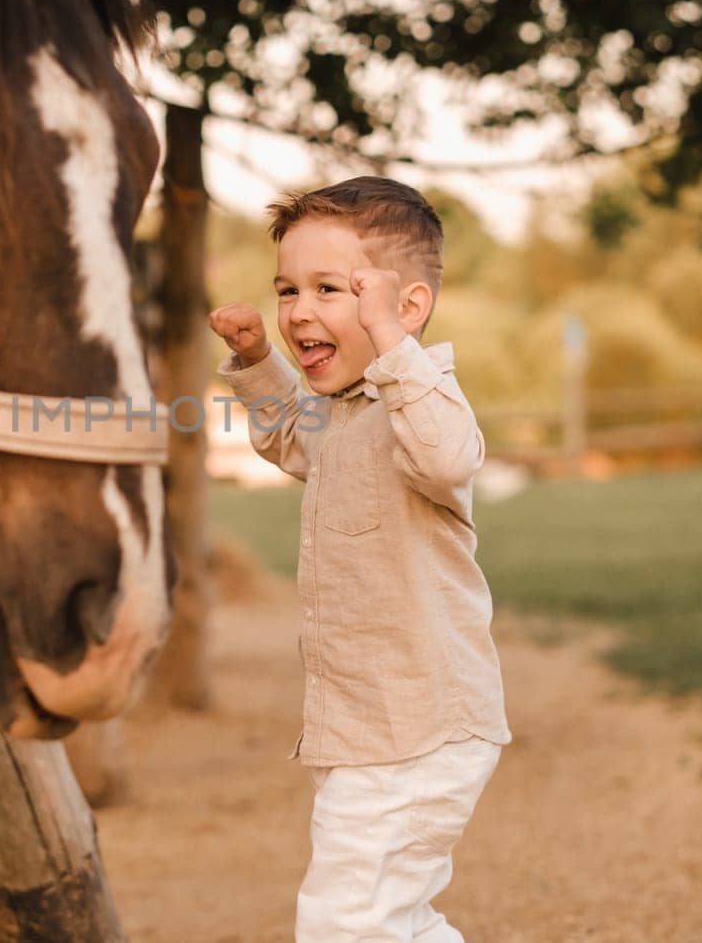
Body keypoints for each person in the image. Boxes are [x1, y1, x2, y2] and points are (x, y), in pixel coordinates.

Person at [208, 176, 510, 942]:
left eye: (330, 289)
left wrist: (394, 349)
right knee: (388, 918)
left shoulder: (419, 402)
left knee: (346, 921)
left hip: (418, 728)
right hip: (371, 730)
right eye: (287, 290)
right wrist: (256, 360)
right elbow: (285, 437)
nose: (299, 310)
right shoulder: (341, 415)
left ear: (405, 307)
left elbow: (450, 456)